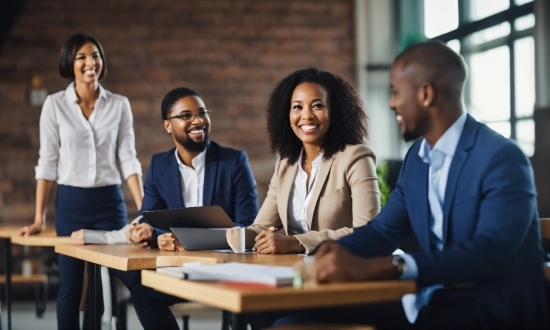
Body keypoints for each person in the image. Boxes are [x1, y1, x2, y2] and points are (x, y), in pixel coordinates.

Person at [265, 41, 550, 330]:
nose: (391, 103)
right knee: (289, 323)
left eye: (396, 92)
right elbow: (382, 231)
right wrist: (329, 255)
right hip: (429, 298)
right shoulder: (417, 158)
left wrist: (390, 266)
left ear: (425, 94)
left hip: (493, 309)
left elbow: (490, 249)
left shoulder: (501, 158)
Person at [73, 86, 259, 330]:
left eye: (202, 113)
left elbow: (248, 225)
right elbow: (149, 217)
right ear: (167, 125)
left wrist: (188, 239)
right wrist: (150, 233)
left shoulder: (234, 162)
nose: (198, 121)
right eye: (186, 116)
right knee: (142, 292)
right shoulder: (159, 165)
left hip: (223, 268)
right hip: (177, 268)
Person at [18, 33, 143, 330]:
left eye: (96, 55)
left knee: (109, 284)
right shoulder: (54, 105)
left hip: (109, 203)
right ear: (70, 64)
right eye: (82, 57)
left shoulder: (119, 105)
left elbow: (128, 159)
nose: (91, 62)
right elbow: (47, 163)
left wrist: (145, 209)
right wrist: (39, 218)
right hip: (71, 204)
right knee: (70, 287)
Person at [225, 67, 381, 255]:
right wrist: (230, 235)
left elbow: (368, 232)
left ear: (334, 112)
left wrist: (294, 243)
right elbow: (260, 228)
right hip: (295, 270)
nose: (306, 115)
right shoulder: (285, 165)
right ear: (287, 116)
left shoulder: (355, 158)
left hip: (342, 267)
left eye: (317, 105)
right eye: (297, 107)